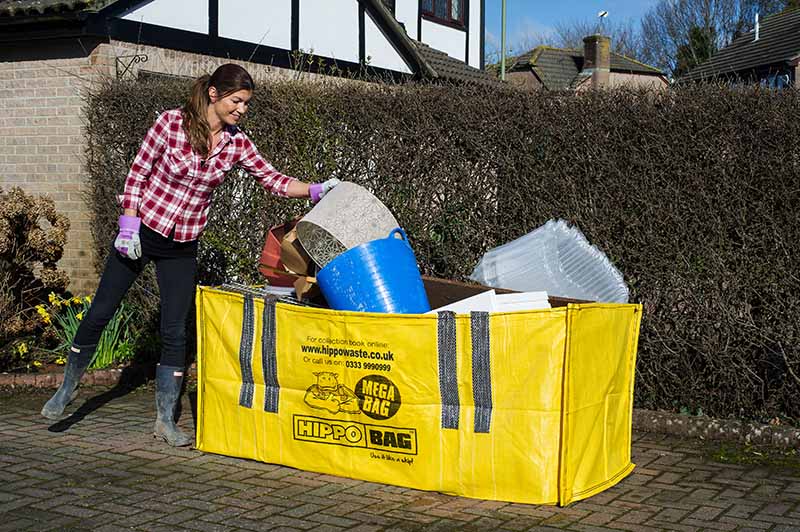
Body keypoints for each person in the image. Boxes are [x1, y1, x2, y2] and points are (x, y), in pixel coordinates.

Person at [41, 63, 339, 446]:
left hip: (182, 243)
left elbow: (273, 180)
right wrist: (129, 225)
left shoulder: (237, 144)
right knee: (101, 310)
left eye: (246, 103)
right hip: (143, 232)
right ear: (214, 94)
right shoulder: (169, 123)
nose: (242, 110)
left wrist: (316, 190)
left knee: (175, 329)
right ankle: (66, 389)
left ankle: (165, 419)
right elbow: (137, 176)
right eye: (237, 101)